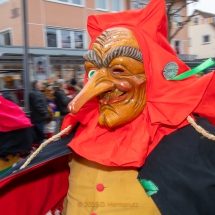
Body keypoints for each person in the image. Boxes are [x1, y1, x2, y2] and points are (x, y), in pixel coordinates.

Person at [1, 0, 215, 214]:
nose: (91, 91)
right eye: (92, 73)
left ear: (152, 73)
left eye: (119, 70)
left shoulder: (197, 136)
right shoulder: (79, 132)